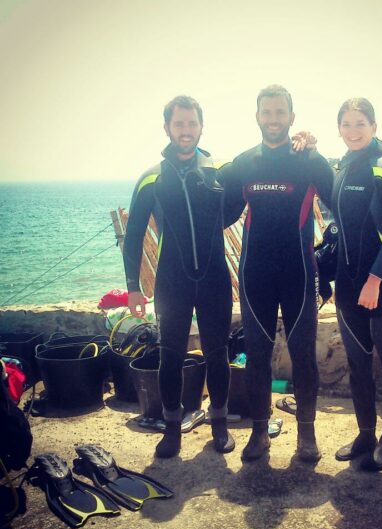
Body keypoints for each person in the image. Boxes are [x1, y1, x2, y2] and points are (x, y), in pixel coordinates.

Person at [221, 84, 334, 462]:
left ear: (292, 117)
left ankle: (306, 435)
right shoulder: (243, 164)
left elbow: (345, 202)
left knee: (304, 356)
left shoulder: (310, 160)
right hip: (255, 276)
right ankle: (259, 434)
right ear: (257, 117)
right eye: (266, 112)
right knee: (257, 354)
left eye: (279, 112)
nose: (273, 119)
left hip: (299, 273)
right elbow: (223, 214)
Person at [123, 95, 234, 458]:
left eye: (192, 124)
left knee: (218, 354)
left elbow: (261, 172)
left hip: (215, 278)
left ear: (201, 126)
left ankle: (218, 423)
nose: (186, 131)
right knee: (169, 356)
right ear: (167, 128)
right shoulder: (151, 178)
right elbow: (135, 234)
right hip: (172, 282)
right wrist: (133, 289)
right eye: (179, 124)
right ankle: (172, 427)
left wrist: (303, 144)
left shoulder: (220, 171)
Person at [332, 97, 382, 471]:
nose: (353, 131)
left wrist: (375, 278)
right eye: (346, 124)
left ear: (374, 127)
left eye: (360, 123)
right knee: (357, 363)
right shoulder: (342, 169)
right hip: (348, 288)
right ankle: (365, 434)